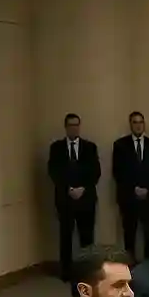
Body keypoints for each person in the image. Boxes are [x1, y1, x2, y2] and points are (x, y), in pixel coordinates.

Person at [47, 113, 101, 281]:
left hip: (86, 199)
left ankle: (87, 272)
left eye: (76, 125)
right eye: (71, 125)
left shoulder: (90, 147)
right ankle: (67, 272)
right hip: (65, 200)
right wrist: (68, 189)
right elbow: (54, 172)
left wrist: (82, 188)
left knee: (87, 237)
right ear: (66, 127)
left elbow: (95, 172)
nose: (74, 128)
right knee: (66, 237)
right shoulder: (56, 148)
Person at [112, 111, 149, 260]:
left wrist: (146, 188)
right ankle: (130, 270)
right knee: (129, 235)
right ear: (130, 125)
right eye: (135, 122)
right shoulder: (120, 145)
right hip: (129, 198)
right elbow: (118, 171)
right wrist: (133, 188)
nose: (138, 125)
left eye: (141, 122)